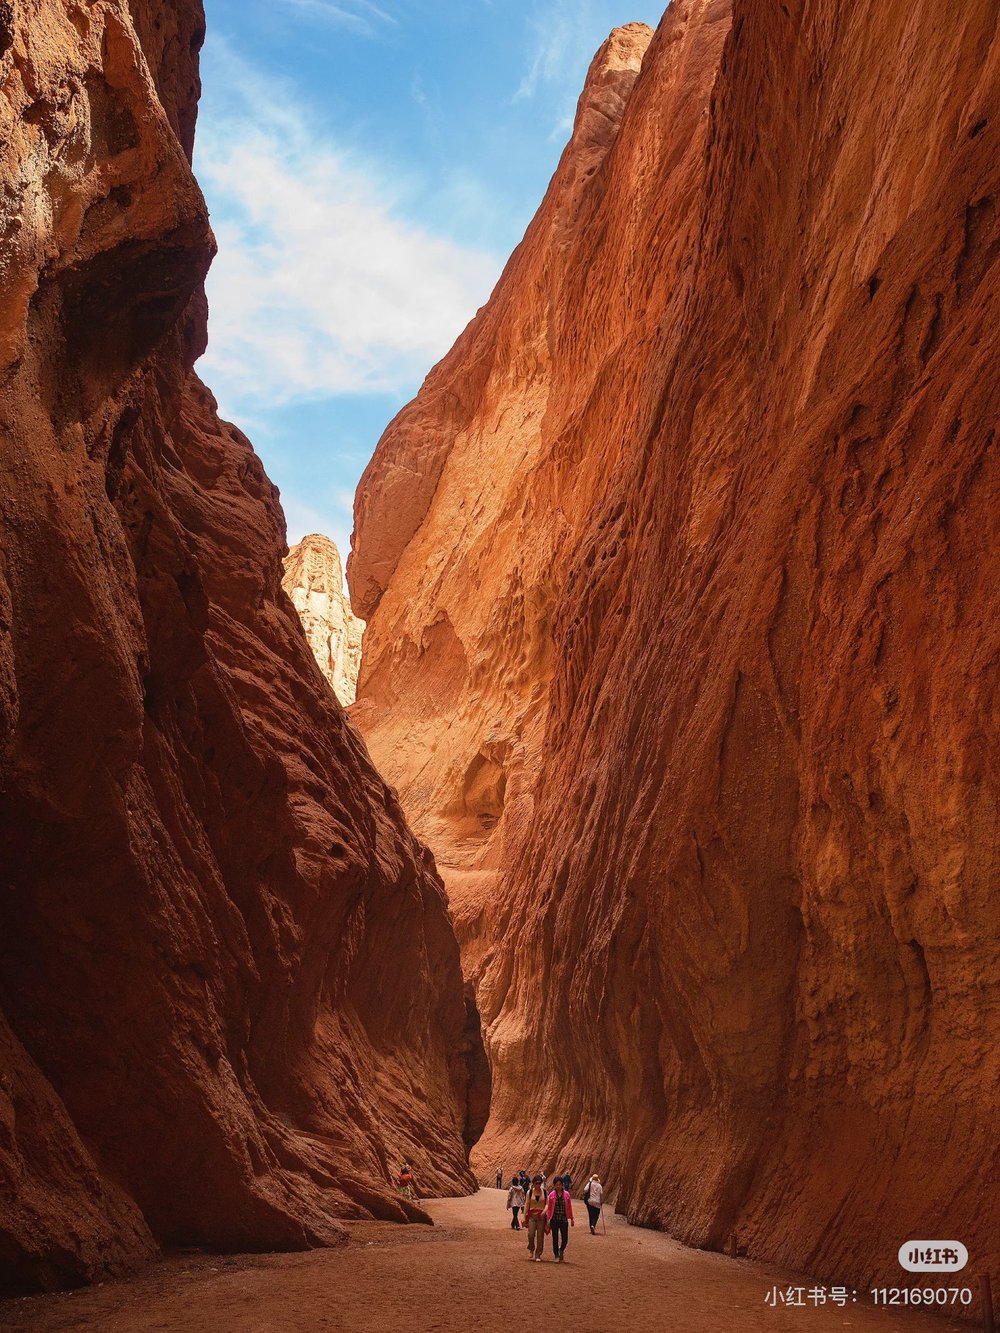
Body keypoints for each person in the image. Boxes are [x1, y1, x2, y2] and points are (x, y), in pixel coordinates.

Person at [546, 1175, 574, 1261]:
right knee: (555, 1238)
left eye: (560, 1184)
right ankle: (556, 1255)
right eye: (557, 1184)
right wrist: (548, 1219)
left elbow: (569, 1206)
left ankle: (561, 1250)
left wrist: (572, 1218)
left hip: (563, 1219)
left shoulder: (566, 1194)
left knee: (565, 1239)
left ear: (562, 1185)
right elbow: (549, 1208)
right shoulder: (551, 1195)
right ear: (554, 1185)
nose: (558, 1186)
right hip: (554, 1219)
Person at [523, 1175, 548, 1262]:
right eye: (536, 1183)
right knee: (531, 1234)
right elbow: (526, 1204)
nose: (538, 1185)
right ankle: (531, 1248)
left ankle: (538, 1254)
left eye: (539, 1183)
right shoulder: (529, 1193)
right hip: (532, 1216)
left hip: (541, 1216)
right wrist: (523, 1216)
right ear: (533, 1184)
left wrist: (544, 1212)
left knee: (540, 1236)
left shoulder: (544, 1192)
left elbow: (547, 1204)